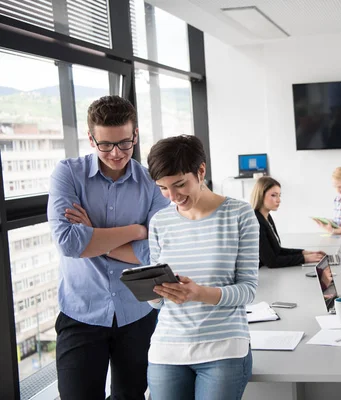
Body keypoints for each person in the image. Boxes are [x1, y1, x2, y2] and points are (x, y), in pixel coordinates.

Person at [47, 96, 170, 399]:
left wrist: (94, 236)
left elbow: (156, 251)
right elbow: (69, 242)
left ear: (135, 136)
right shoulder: (67, 174)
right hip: (81, 313)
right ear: (91, 138)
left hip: (137, 313)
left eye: (124, 143)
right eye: (105, 145)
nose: (116, 153)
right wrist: (136, 230)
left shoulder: (152, 182)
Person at [146, 135, 257, 400]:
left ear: (201, 171)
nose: (173, 197)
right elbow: (158, 303)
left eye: (180, 184)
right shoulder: (160, 222)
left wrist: (199, 293)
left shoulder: (239, 214)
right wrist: (153, 294)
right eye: (163, 188)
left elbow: (248, 290)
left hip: (223, 349)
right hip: (168, 348)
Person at [250, 177, 325, 268]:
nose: (279, 200)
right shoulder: (256, 222)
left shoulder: (267, 217)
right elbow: (271, 261)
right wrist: (305, 259)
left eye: (279, 195)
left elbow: (277, 251)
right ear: (261, 195)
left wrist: (305, 253)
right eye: (273, 195)